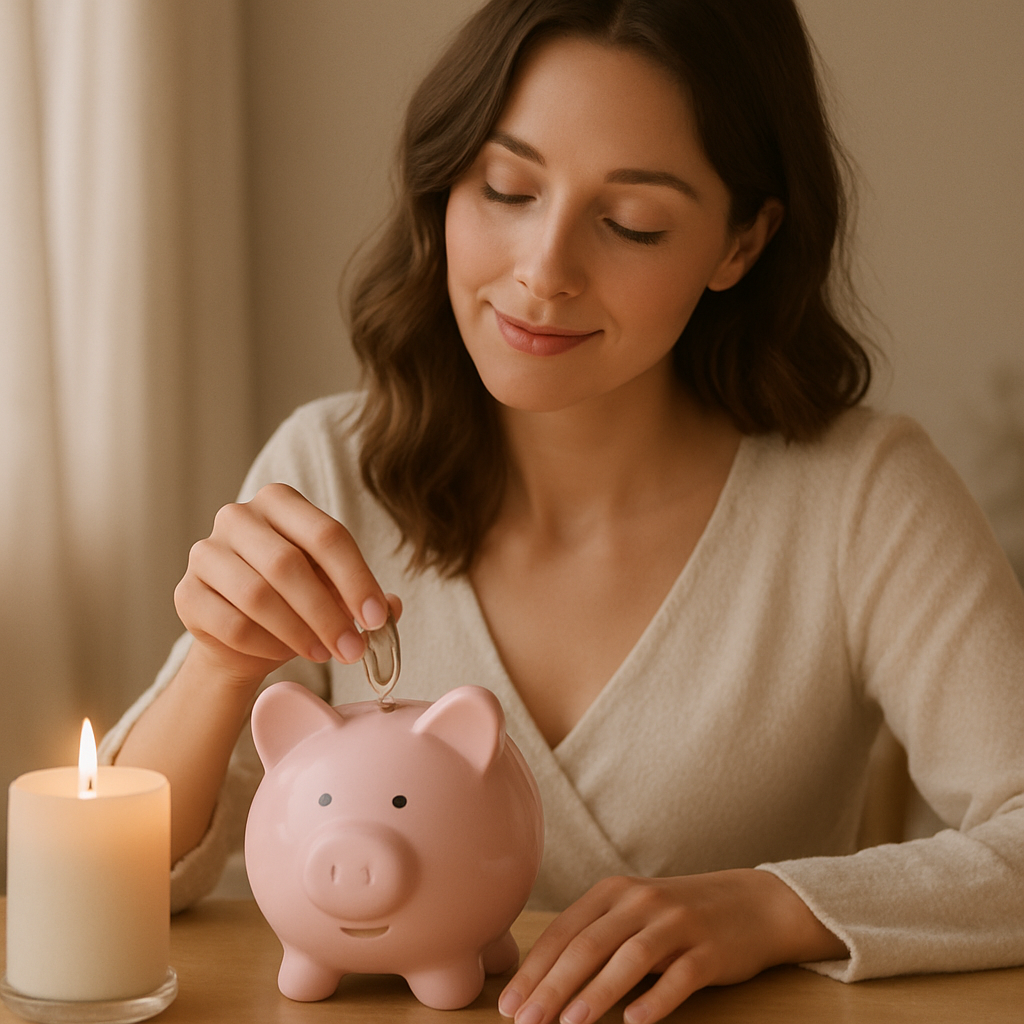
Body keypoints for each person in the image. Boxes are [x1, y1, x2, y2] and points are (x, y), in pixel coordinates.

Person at [104, 1, 1024, 1023]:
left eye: (631, 222)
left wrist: (770, 906)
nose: (542, 272)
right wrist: (220, 664)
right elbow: (111, 889)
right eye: (505, 188)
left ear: (741, 241)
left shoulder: (862, 498)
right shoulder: (329, 468)